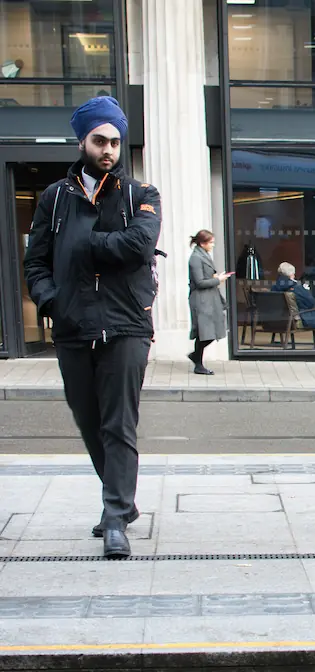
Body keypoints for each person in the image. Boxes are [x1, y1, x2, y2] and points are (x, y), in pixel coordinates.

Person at [22, 96, 162, 558]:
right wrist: (50, 298)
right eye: (100, 140)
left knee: (119, 423)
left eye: (116, 142)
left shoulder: (142, 195)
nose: (108, 150)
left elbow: (140, 247)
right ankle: (122, 500)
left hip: (126, 324)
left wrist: (84, 243)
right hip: (73, 324)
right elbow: (36, 260)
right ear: (82, 141)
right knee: (88, 421)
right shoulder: (54, 198)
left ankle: (115, 516)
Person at [188, 230, 231, 375]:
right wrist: (218, 280)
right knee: (204, 332)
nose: (213, 245)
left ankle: (196, 358)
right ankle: (198, 362)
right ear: (202, 243)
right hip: (201, 299)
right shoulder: (195, 258)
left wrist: (216, 277)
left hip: (210, 298)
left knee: (211, 330)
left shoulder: (203, 255)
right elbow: (199, 282)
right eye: (211, 242)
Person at [272, 262, 315, 349]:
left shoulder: (274, 288)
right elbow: (310, 302)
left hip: (276, 320)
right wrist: (306, 290)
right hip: (292, 321)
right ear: (291, 274)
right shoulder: (296, 287)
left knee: (314, 312)